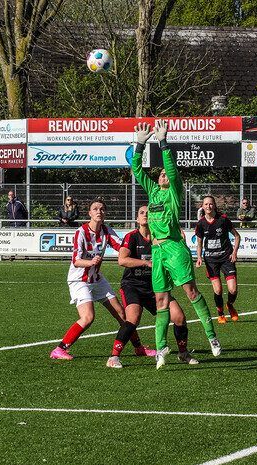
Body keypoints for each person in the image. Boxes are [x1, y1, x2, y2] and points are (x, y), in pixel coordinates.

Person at [132, 120, 220, 369]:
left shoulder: (173, 192)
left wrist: (163, 143)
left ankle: (212, 337)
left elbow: (171, 169)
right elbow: (137, 171)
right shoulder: (152, 193)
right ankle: (161, 349)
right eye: (159, 174)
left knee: (191, 292)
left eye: (164, 175)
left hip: (174, 248)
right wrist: (139, 145)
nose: (162, 176)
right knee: (161, 301)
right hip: (157, 251)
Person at [50, 199, 155, 363]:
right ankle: (60, 349)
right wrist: (90, 262)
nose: (99, 211)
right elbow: (76, 260)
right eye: (95, 209)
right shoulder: (81, 232)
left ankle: (138, 348)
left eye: (102, 209)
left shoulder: (107, 231)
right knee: (88, 317)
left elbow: (123, 247)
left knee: (122, 314)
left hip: (97, 279)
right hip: (79, 280)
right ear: (90, 213)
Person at [108, 205, 196, 368]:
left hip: (156, 286)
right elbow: (122, 260)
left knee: (179, 317)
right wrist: (146, 263)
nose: (145, 215)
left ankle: (183, 353)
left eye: (149, 213)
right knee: (133, 318)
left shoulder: (161, 238)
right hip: (132, 285)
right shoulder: (132, 237)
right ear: (137, 219)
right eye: (142, 213)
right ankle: (113, 357)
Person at [195, 196, 241, 324]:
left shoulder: (223, 220)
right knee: (218, 290)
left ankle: (230, 305)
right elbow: (199, 243)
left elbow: (237, 236)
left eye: (211, 204)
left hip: (226, 258)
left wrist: (235, 252)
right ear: (202, 206)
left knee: (233, 289)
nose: (208, 206)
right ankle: (220, 312)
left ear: (214, 205)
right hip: (211, 260)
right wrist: (199, 257)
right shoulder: (201, 224)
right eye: (206, 204)